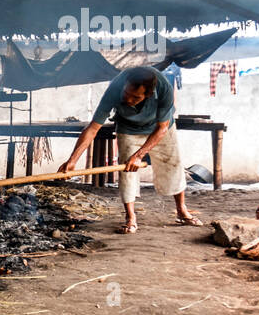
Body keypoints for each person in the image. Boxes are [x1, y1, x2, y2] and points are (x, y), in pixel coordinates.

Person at [58, 66, 202, 233]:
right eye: (127, 93)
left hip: (160, 127)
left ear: (148, 94)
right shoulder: (114, 90)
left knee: (172, 164)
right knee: (127, 171)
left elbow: (162, 128)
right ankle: (130, 217)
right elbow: (92, 128)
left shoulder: (164, 88)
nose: (128, 99)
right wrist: (73, 160)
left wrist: (140, 155)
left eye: (136, 97)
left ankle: (182, 211)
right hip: (128, 128)